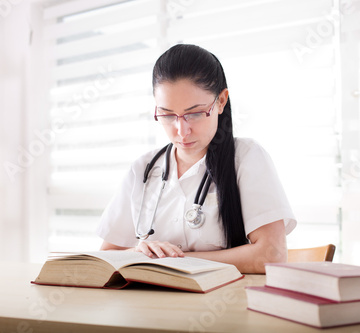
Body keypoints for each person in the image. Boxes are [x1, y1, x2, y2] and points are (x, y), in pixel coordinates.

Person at [97, 44, 296, 273]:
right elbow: (106, 257)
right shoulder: (142, 169)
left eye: (194, 114)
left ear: (221, 101)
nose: (181, 131)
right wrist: (138, 253)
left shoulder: (246, 157)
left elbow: (272, 254)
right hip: (153, 304)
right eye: (167, 115)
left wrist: (176, 261)